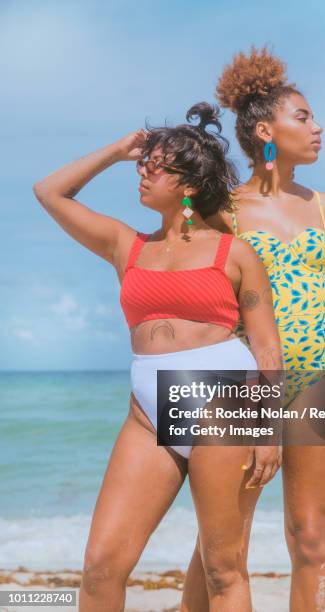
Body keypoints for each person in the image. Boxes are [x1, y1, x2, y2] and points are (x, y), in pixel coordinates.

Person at [33, 102, 283, 612]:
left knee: (222, 568)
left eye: (156, 165)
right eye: (144, 163)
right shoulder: (128, 246)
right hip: (148, 411)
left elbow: (266, 345)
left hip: (226, 404)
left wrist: (268, 430)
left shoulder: (233, 253)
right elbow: (49, 192)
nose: (143, 172)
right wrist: (118, 151)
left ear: (188, 185)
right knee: (102, 568)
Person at [183, 48, 325, 611]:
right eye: (304, 117)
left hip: (320, 385)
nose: (318, 127)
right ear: (266, 130)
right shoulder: (221, 212)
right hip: (246, 385)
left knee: (310, 537)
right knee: (224, 541)